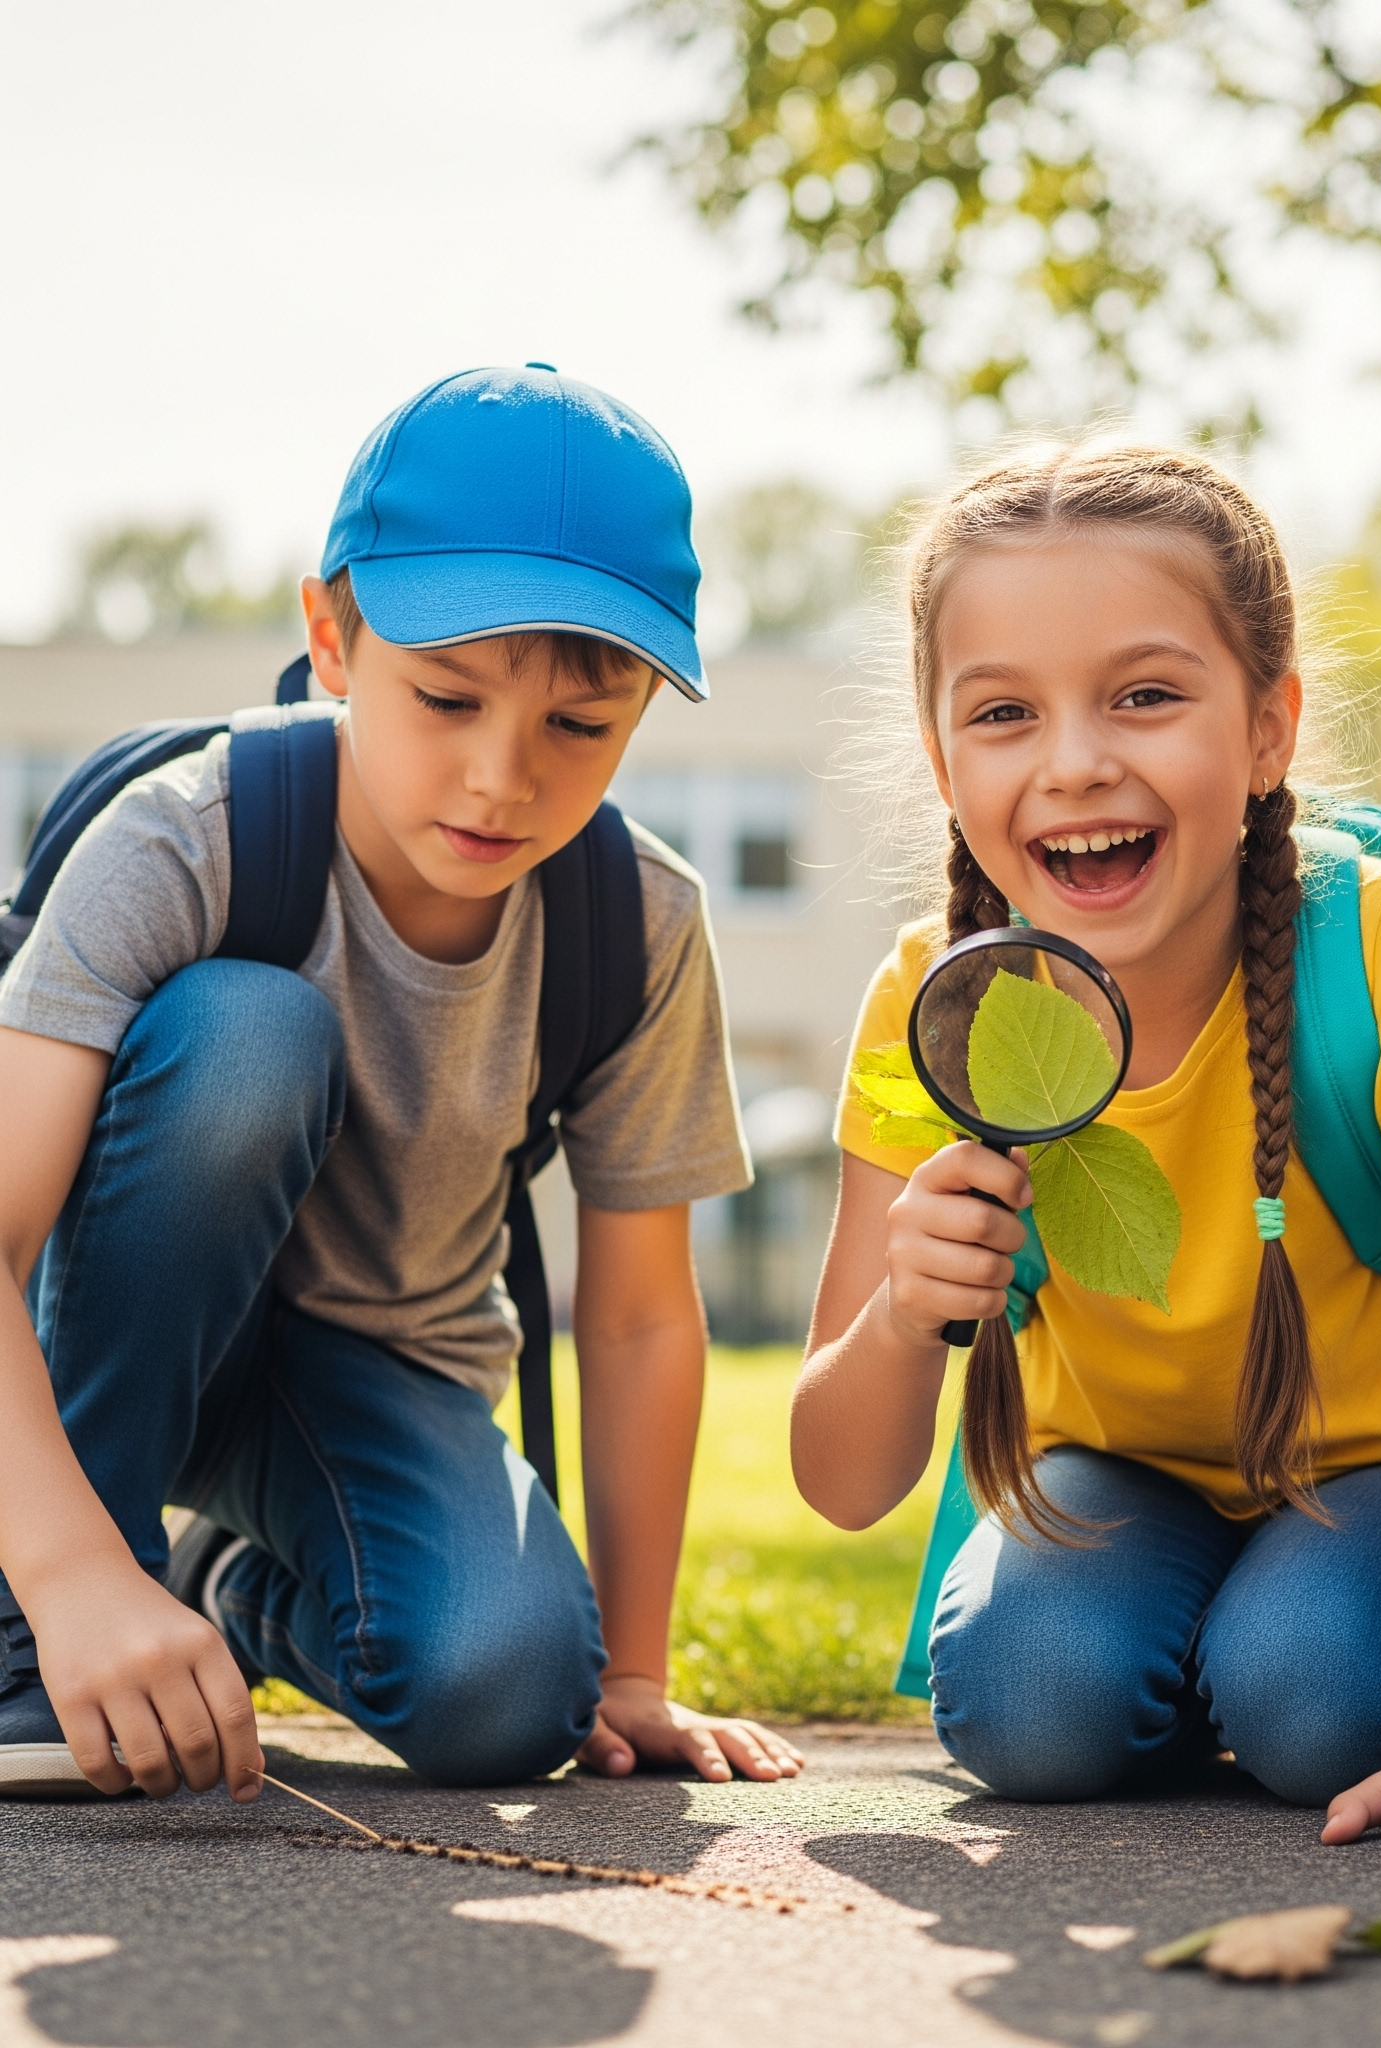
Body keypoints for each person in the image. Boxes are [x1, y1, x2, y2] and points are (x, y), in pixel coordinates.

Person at [794, 443, 1381, 1862]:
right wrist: (903, 1308)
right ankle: (1227, 1628)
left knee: (1319, 1704)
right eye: (1004, 714)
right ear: (944, 763)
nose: (1075, 762)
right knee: (1028, 1714)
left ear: (1267, 728)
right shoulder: (938, 1006)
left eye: (1146, 696)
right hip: (1124, 1477)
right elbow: (842, 1475)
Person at [0, 366, 804, 1800]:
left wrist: (630, 1674)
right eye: (446, 696)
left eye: (581, 724)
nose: (502, 779)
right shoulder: (187, 842)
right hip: (113, 1324)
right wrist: (64, 1575)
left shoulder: (641, 926)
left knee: (509, 1698)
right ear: (331, 636)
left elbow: (633, 1319)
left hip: (375, 1367)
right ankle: (46, 1610)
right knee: (250, 1038)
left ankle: (215, 1588)